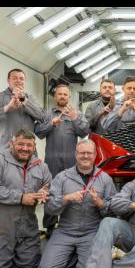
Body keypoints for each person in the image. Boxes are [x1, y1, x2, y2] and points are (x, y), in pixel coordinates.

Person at [38, 139, 117, 268]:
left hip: (92, 232)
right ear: (75, 154)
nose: (85, 156)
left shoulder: (105, 179)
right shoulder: (62, 177)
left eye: (89, 153)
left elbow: (113, 213)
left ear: (95, 155)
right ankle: (72, 255)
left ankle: (79, 256)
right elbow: (50, 209)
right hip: (65, 231)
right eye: (82, 153)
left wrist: (100, 203)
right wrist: (66, 199)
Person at [0, 129, 51, 268]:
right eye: (20, 144)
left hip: (28, 227)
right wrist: (20, 198)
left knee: (30, 264)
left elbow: (49, 185)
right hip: (1, 228)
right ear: (11, 143)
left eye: (29, 145)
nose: (25, 148)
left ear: (34, 147)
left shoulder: (41, 166)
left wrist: (45, 192)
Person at [34, 84, 90, 238]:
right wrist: (51, 123)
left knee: (71, 192)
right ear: (55, 97)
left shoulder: (76, 114)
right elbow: (38, 132)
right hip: (51, 161)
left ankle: (70, 223)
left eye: (65, 94)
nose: (63, 96)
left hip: (71, 162)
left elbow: (85, 131)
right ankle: (50, 226)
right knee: (51, 193)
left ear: (69, 97)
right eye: (60, 94)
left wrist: (75, 118)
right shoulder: (47, 114)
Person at [0, 68, 45, 154]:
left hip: (27, 153)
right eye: (15, 78)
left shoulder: (30, 98)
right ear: (8, 80)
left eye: (21, 78)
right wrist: (7, 108)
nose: (18, 80)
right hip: (4, 153)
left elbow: (42, 117)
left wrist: (24, 101)